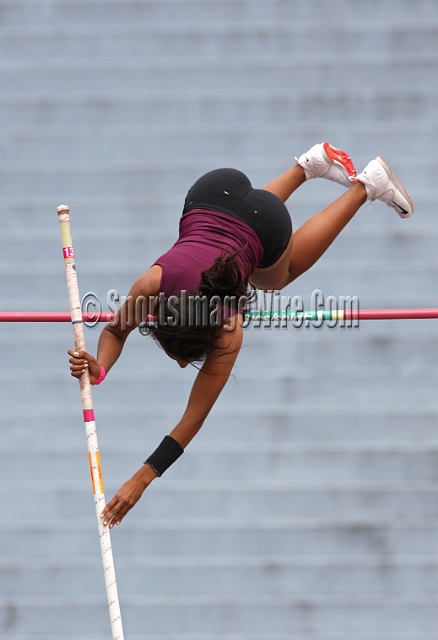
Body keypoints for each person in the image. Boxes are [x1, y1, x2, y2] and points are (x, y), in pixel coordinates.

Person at [68, 142, 413, 528]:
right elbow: (115, 333)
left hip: (264, 220)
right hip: (214, 190)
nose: (184, 365)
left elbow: (192, 418)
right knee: (242, 230)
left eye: (185, 358)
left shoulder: (228, 330)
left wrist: (142, 478)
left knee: (276, 277)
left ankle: (367, 185)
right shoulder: (153, 283)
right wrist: (99, 370)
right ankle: (307, 166)